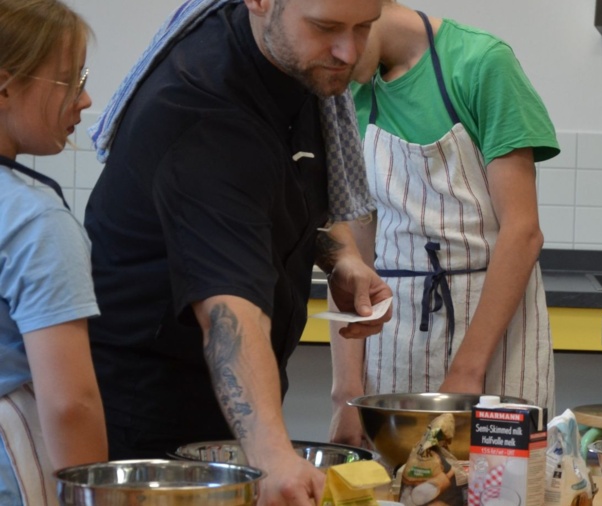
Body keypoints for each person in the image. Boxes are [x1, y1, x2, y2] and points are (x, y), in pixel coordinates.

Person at [83, 0, 391, 504]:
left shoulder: (296, 64)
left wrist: (342, 258)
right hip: (149, 418)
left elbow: (284, 192)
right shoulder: (203, 108)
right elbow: (228, 309)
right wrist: (269, 455)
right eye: (327, 27)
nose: (349, 52)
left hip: (228, 406)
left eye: (365, 27)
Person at [328, 0, 559, 447]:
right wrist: (347, 393)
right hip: (392, 339)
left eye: (339, 31)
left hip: (495, 338)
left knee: (498, 487)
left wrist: (466, 374)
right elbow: (353, 253)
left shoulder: (480, 63)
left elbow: (522, 232)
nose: (334, 54)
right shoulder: (346, 91)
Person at [0, 1, 108, 504]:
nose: (84, 100)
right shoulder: (34, 220)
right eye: (69, 81)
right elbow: (70, 406)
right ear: (4, 85)